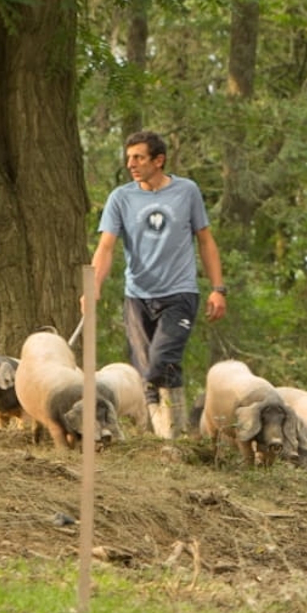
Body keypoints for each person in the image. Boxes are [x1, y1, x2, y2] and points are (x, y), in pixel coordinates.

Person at [84, 130, 227, 438]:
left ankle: (167, 431)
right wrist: (92, 285)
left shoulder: (187, 191)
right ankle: (168, 437)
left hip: (179, 293)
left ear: (158, 160)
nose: (131, 164)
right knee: (147, 371)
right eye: (128, 158)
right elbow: (106, 247)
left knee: (161, 362)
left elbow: (206, 241)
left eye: (138, 157)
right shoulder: (121, 198)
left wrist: (218, 288)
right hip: (137, 297)